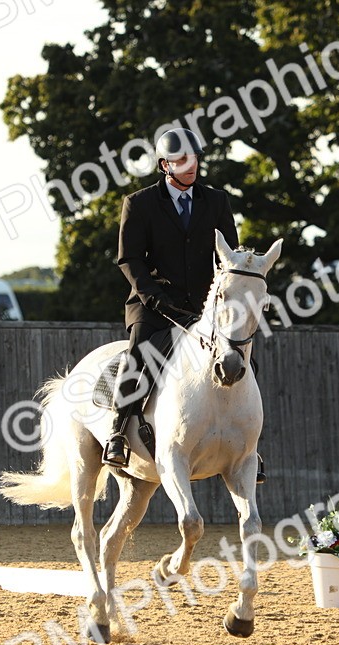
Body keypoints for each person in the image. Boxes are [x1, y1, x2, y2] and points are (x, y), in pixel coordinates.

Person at [104, 127, 264, 483]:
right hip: (154, 304)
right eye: (180, 160)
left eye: (193, 158)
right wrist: (152, 296)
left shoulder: (217, 201)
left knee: (244, 356)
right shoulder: (140, 203)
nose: (190, 166)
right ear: (165, 165)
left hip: (206, 307)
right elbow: (129, 259)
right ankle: (118, 431)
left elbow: (229, 257)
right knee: (139, 355)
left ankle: (250, 447)